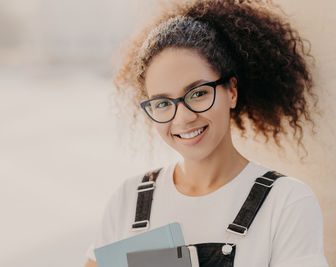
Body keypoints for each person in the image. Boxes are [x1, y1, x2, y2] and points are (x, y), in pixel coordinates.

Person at [84, 0, 329, 266]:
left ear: (231, 91)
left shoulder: (286, 203)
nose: (184, 117)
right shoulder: (128, 200)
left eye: (198, 93)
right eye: (163, 103)